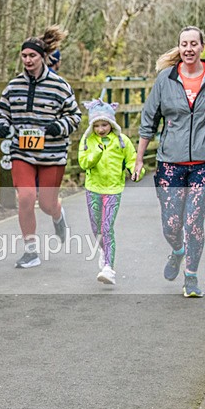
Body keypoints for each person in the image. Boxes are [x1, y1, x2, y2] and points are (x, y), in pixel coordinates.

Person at [134, 26, 205, 298]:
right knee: (171, 224)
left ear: (202, 47)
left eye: (193, 44)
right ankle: (177, 251)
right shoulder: (165, 79)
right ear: (179, 47)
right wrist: (139, 160)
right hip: (170, 163)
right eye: (184, 44)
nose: (188, 48)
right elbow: (148, 121)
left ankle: (192, 277)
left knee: (193, 221)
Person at [0, 25, 81, 268]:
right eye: (24, 56)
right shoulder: (13, 87)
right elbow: (1, 115)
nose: (28, 60)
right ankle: (31, 251)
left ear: (43, 57)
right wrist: (1, 127)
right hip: (22, 152)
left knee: (46, 203)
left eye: (32, 55)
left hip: (52, 154)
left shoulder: (60, 86)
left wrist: (59, 126)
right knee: (26, 198)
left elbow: (75, 116)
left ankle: (57, 213)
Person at [78, 99, 143, 285]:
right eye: (96, 125)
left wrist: (136, 171)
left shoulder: (122, 141)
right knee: (96, 229)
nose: (100, 129)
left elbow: (132, 159)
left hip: (114, 189)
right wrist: (96, 153)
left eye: (104, 124)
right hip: (93, 188)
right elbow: (83, 163)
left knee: (107, 228)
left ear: (112, 123)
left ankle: (108, 267)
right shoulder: (87, 140)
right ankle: (103, 250)